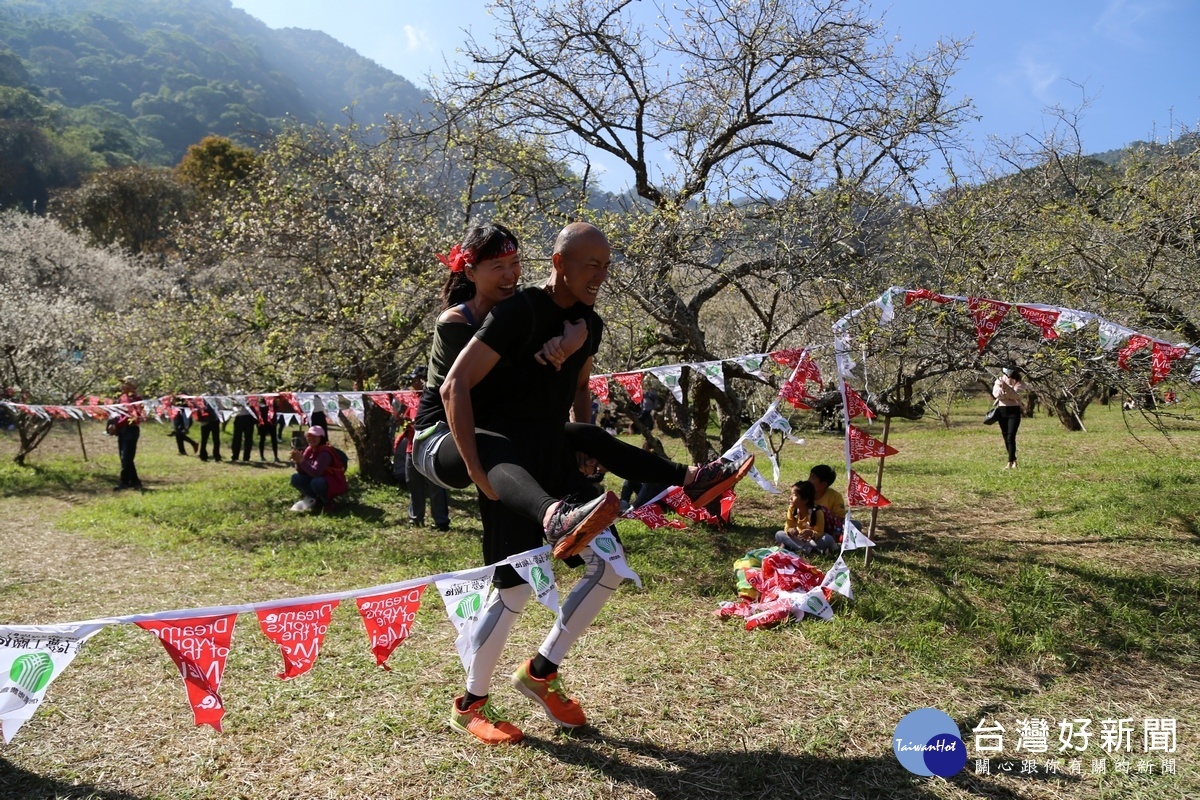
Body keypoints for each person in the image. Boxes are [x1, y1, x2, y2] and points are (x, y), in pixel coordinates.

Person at [437, 222, 753, 744]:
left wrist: (585, 449)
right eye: (591, 264)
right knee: (514, 590)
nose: (601, 275)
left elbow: (581, 388)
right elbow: (462, 388)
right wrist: (476, 468)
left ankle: (540, 673)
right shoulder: (519, 311)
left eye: (607, 266)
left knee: (607, 566)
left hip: (560, 457)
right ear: (560, 263)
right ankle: (470, 702)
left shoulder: (592, 324)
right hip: (511, 465)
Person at [288, 425, 347, 513]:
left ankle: (328, 502)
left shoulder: (325, 453)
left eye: (315, 436)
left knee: (316, 481)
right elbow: (302, 472)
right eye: (309, 436)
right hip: (319, 479)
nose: (311, 438)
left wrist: (302, 461)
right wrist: (298, 462)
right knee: (296, 478)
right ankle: (316, 499)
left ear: (321, 438)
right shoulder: (309, 449)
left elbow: (316, 472)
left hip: (333, 482)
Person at [775, 480, 834, 554]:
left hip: (812, 541)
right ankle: (808, 550)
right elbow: (787, 527)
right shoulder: (792, 509)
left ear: (805, 500)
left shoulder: (817, 512)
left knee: (828, 539)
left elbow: (819, 532)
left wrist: (811, 533)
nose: (790, 498)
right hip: (798, 539)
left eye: (795, 495)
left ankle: (798, 548)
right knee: (779, 534)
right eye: (791, 494)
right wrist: (790, 531)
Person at [112, 376, 143, 490]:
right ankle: (134, 481)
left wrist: (117, 424)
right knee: (124, 456)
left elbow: (131, 416)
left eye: (124, 384)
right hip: (122, 430)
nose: (122, 386)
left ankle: (124, 481)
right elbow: (118, 413)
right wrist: (113, 424)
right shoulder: (122, 397)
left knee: (126, 457)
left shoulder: (137, 399)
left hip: (131, 429)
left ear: (131, 386)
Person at [992, 366, 1025, 469]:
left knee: (1011, 436)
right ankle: (1013, 460)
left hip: (1014, 411)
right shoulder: (999, 380)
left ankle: (1010, 461)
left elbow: (1016, 396)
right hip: (1002, 410)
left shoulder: (1019, 382)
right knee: (1005, 435)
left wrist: (1005, 388)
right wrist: (1007, 393)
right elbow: (997, 394)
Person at [808, 464, 846, 537]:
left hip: (830, 527)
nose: (809, 480)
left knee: (854, 524)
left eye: (812, 478)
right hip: (810, 526)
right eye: (809, 476)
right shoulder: (804, 494)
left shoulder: (835, 496)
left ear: (824, 484)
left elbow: (840, 518)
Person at [195, 398, 222, 462]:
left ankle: (204, 455)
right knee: (215, 439)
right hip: (211, 421)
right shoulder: (215, 397)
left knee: (205, 439)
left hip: (206, 422)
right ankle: (216, 456)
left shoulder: (202, 398)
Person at [230, 398, 255, 463]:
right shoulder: (236, 394)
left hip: (248, 418)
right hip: (239, 417)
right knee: (237, 438)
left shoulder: (250, 395)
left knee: (248, 439)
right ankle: (235, 456)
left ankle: (246, 457)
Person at [255, 397, 279, 462]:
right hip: (264, 424)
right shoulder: (261, 405)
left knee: (273, 440)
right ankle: (262, 456)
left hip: (271, 424)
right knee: (262, 440)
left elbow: (277, 408)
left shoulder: (273, 404)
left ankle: (276, 456)